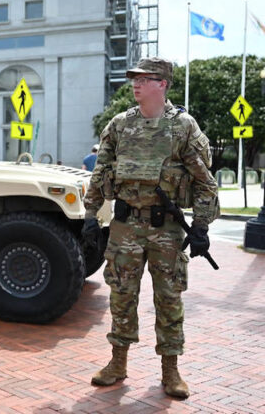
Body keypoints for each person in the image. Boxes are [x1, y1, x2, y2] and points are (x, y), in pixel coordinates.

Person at [81, 57, 218, 399]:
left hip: (166, 229)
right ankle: (117, 363)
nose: (136, 84)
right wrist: (89, 214)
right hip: (125, 226)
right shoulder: (119, 125)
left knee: (169, 299)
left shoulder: (182, 126)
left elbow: (205, 182)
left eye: (144, 79)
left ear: (163, 84)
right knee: (121, 296)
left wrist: (200, 227)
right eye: (134, 79)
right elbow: (101, 173)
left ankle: (171, 371)